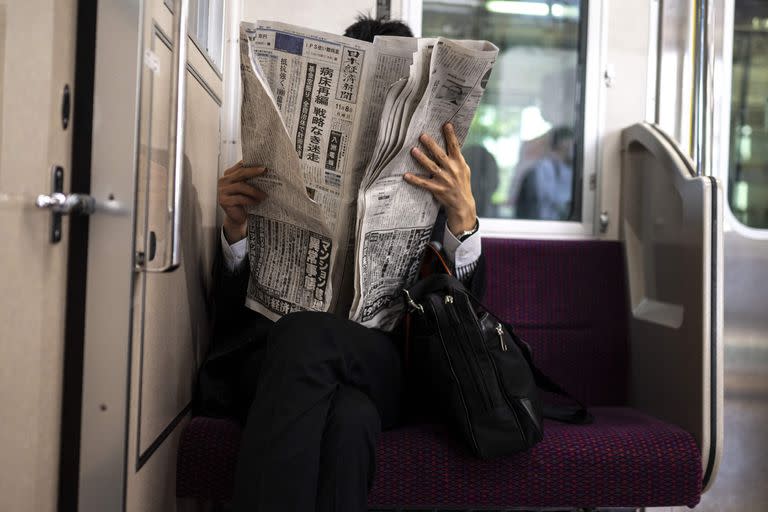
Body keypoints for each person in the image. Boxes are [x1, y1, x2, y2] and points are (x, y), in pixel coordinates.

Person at [197, 15, 485, 512]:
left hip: (380, 361)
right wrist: (236, 232)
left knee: (305, 336)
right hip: (276, 363)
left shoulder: (435, 178)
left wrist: (464, 223)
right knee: (350, 421)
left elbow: (464, 322)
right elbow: (229, 313)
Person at [515, 126, 575, 220]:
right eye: (571, 143)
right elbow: (553, 198)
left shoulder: (567, 168)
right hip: (545, 222)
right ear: (563, 144)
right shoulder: (544, 168)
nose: (574, 148)